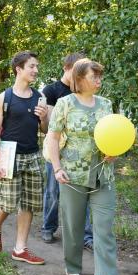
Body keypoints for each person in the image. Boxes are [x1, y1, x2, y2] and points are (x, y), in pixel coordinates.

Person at [45, 59, 126, 275]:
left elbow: (112, 135)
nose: (99, 81)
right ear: (79, 79)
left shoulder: (106, 104)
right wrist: (57, 168)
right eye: (95, 77)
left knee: (104, 228)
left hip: (103, 174)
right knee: (73, 226)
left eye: (100, 76)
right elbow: (52, 137)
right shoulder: (64, 103)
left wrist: (113, 153)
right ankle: (73, 266)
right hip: (72, 175)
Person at [0, 51, 47, 264]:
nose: (35, 70)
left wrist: (44, 117)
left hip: (32, 155)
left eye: (36, 66)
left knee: (29, 203)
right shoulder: (4, 98)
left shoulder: (40, 97)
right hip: (9, 154)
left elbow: (46, 130)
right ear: (18, 69)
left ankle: (20, 249)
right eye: (31, 66)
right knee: (8, 201)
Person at [41, 53, 94, 249]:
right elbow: (48, 128)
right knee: (53, 191)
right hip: (56, 150)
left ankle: (86, 236)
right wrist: (43, 118)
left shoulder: (85, 92)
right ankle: (48, 227)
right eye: (77, 70)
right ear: (66, 68)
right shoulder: (51, 90)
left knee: (84, 193)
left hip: (81, 152)